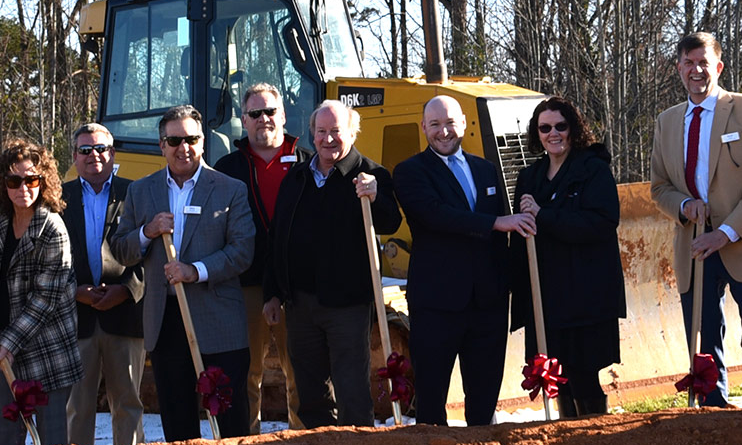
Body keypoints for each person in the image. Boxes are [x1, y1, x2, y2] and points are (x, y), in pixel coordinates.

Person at [647, 31, 742, 407]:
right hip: (695, 247)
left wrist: (725, 232)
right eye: (689, 63)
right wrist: (683, 205)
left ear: (718, 67)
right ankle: (712, 411)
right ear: (678, 68)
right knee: (704, 336)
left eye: (703, 63)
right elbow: (659, 186)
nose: (696, 70)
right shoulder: (667, 121)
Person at [111, 106, 259, 440]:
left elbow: (242, 251)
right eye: (174, 140)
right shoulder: (140, 191)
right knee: (178, 425)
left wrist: (195, 271)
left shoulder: (229, 189)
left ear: (203, 142)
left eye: (191, 139)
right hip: (165, 322)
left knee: (230, 422)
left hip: (219, 321)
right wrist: (147, 232)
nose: (183, 148)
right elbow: (121, 250)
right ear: (161, 145)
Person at [263, 100, 402, 427]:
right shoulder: (296, 178)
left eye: (336, 131)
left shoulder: (370, 175)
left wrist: (376, 194)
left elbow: (390, 222)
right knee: (310, 389)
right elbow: (277, 238)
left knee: (351, 385)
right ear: (312, 134)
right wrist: (273, 293)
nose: (328, 139)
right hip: (300, 304)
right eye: (321, 131)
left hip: (348, 304)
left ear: (352, 133)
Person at [396, 95, 529, 426]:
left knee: (484, 401)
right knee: (431, 399)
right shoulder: (410, 172)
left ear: (464, 124)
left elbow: (505, 234)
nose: (444, 132)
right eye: (436, 124)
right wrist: (494, 222)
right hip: (436, 304)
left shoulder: (486, 170)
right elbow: (435, 216)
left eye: (450, 123)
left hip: (488, 304)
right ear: (424, 127)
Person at [0, 141, 82, 445]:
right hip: (5, 347)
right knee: (9, 441)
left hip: (46, 351)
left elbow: (45, 300)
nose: (22, 187)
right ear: (4, 185)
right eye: (13, 181)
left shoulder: (53, 230)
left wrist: (9, 342)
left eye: (31, 180)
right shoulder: (0, 216)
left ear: (44, 181)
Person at [512, 97, 624, 418]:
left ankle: (595, 434)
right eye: (545, 128)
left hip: (584, 293)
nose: (553, 133)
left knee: (583, 373)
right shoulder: (529, 177)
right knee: (555, 375)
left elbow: (602, 222)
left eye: (560, 126)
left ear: (573, 128)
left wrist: (544, 216)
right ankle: (567, 441)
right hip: (545, 295)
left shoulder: (593, 169)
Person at [213, 84, 303, 428]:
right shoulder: (227, 167)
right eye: (255, 114)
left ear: (282, 115)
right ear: (243, 120)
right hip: (245, 285)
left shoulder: (306, 162)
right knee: (246, 373)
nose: (263, 119)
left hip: (296, 286)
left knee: (299, 370)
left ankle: (304, 442)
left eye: (270, 112)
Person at [62, 123, 147, 445]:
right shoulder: (59, 199)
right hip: (77, 318)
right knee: (78, 407)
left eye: (100, 149)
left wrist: (126, 290)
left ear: (112, 154)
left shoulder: (135, 192)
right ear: (75, 156)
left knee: (127, 404)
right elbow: (50, 258)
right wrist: (75, 292)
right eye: (85, 150)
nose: (93, 156)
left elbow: (151, 251)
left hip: (125, 315)